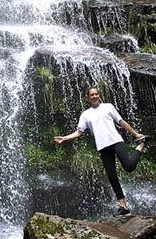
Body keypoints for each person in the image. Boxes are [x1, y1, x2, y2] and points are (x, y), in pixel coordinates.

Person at [53, 86, 148, 215]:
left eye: (96, 94)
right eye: (92, 95)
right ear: (88, 98)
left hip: (116, 141)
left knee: (129, 166)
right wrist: (64, 138)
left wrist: (136, 134)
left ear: (99, 95)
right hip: (103, 147)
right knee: (112, 176)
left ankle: (141, 145)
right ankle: (123, 207)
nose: (94, 96)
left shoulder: (108, 107)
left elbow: (121, 122)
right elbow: (79, 132)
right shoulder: (85, 114)